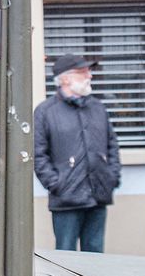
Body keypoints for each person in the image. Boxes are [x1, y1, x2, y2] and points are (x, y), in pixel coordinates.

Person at [33, 53, 121, 252]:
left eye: (89, 71)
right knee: (66, 258)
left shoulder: (98, 108)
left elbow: (112, 146)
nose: (89, 76)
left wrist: (111, 177)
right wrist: (57, 184)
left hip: (98, 196)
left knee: (96, 257)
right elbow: (38, 155)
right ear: (65, 79)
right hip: (66, 199)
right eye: (83, 72)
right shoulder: (45, 112)